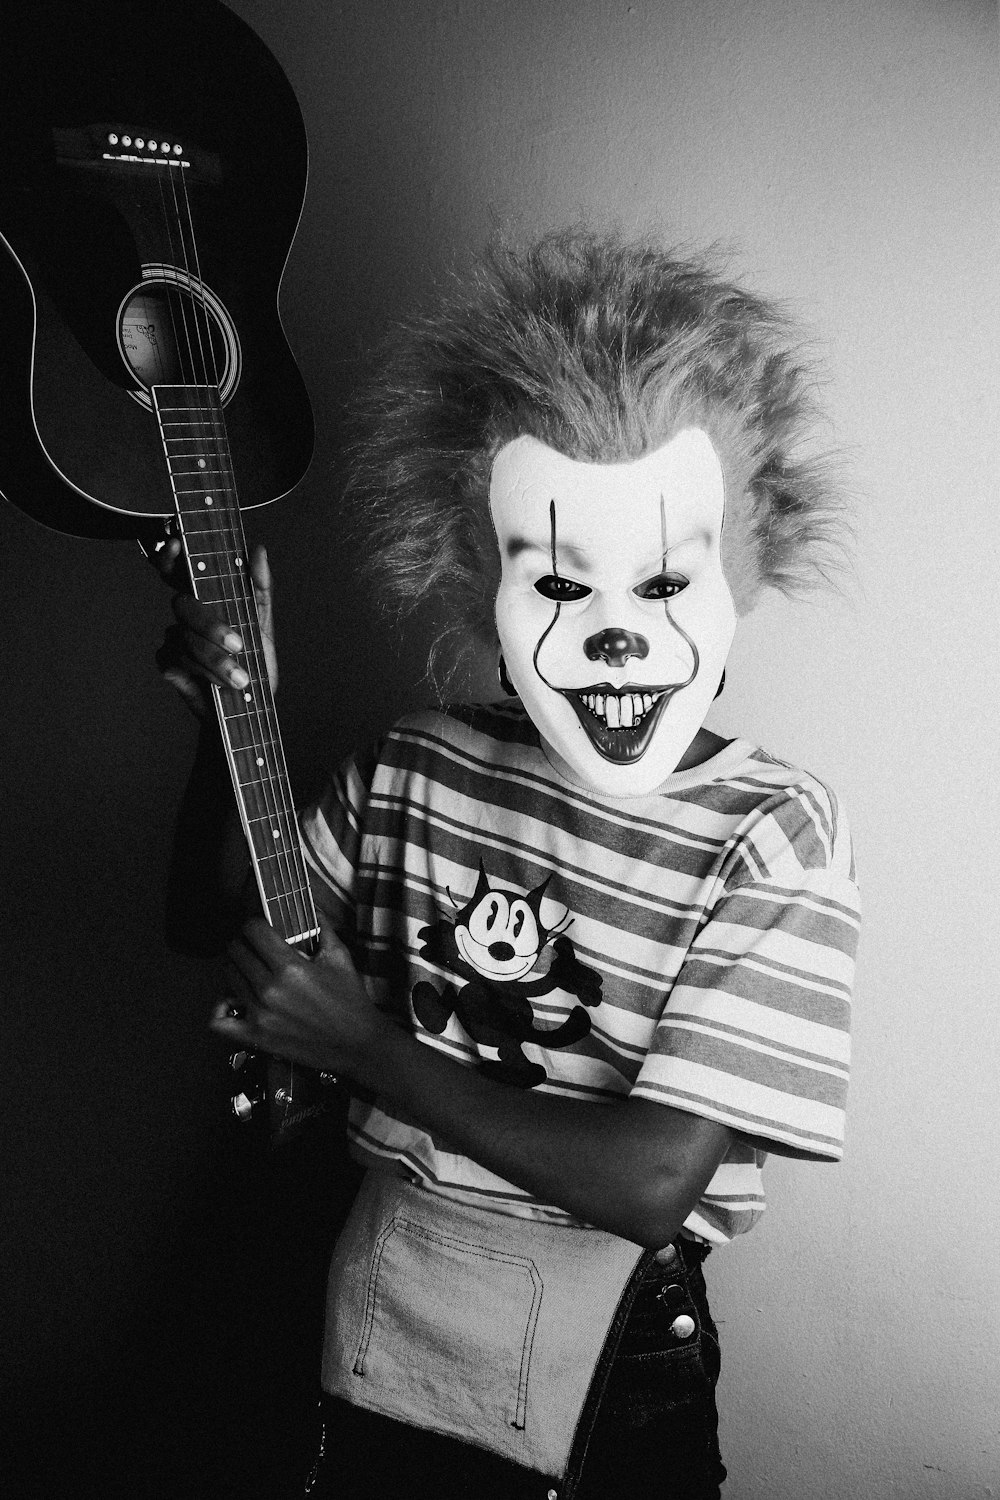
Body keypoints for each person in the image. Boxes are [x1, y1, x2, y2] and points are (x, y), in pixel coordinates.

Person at [156, 231, 860, 1499]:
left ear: (742, 563)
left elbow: (650, 1182)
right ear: (478, 573)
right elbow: (223, 918)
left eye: (660, 580)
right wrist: (232, 720)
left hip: (612, 1352)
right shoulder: (414, 763)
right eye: (556, 581)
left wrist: (365, 1047)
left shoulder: (772, 829)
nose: (609, 641)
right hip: (376, 1290)